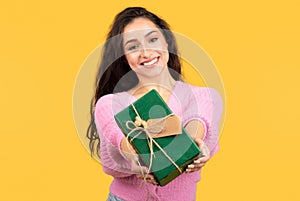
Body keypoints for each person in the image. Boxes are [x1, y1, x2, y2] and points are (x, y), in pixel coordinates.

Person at [87, 7, 223, 201]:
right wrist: (135, 158)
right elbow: (120, 141)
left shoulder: (204, 96)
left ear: (167, 42)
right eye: (133, 47)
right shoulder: (110, 104)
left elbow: (196, 123)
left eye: (152, 39)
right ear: (123, 57)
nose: (146, 52)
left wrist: (192, 148)